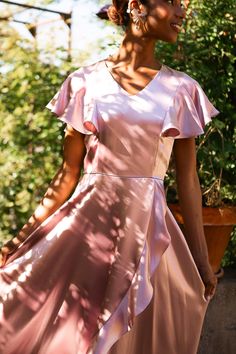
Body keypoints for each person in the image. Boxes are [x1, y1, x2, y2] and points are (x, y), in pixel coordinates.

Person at [0, 0, 218, 353]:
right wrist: (20, 239)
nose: (181, 12)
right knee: (76, 333)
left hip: (149, 231)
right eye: (172, 1)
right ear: (136, 6)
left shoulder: (182, 89)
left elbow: (188, 182)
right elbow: (67, 174)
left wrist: (202, 261)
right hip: (87, 232)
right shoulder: (85, 82)